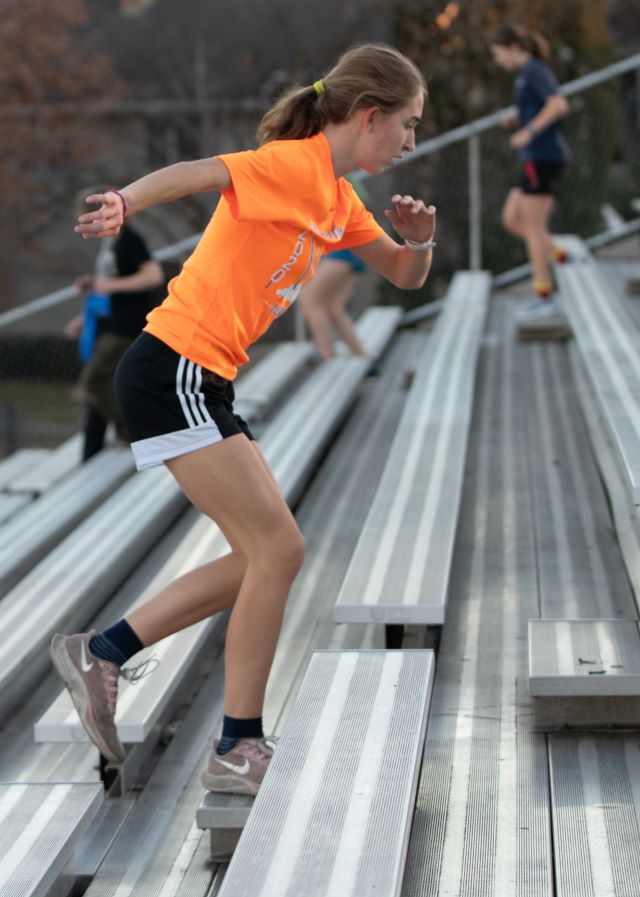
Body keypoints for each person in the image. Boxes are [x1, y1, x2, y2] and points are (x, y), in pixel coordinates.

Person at [50, 42, 437, 796]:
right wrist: (126, 200)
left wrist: (419, 239)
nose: (411, 143)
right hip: (175, 368)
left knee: (266, 555)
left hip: (203, 378)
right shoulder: (292, 165)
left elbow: (402, 273)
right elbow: (204, 172)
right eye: (409, 126)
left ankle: (103, 650)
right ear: (368, 116)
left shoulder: (338, 198)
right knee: (279, 547)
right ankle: (236, 744)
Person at [66, 202, 164, 460]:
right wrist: (84, 319)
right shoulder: (111, 243)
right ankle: (94, 452)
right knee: (103, 388)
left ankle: (134, 431)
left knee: (92, 383)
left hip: (126, 327)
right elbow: (107, 289)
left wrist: (106, 283)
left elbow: (153, 275)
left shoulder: (130, 240)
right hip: (110, 324)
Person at [490, 25, 570, 322]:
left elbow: (559, 104)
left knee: (533, 227)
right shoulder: (526, 75)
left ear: (514, 48)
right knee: (512, 219)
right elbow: (540, 107)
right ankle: (562, 257)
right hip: (533, 159)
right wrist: (519, 119)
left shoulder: (535, 70)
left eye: (499, 54)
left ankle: (544, 296)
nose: (498, 61)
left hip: (543, 157)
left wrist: (529, 131)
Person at [299, 172, 369, 361]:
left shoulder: (334, 174)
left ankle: (328, 356)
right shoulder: (334, 172)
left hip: (345, 247)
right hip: (350, 246)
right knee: (333, 306)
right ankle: (362, 359)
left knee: (309, 300)